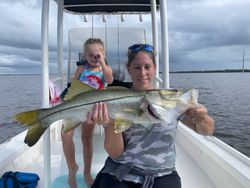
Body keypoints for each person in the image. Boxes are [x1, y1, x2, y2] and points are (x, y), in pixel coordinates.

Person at [86, 43, 214, 188]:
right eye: (136, 67)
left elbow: (206, 130)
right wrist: (108, 124)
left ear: (154, 68)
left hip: (163, 173)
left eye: (147, 67)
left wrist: (201, 117)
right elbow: (116, 153)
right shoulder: (117, 100)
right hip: (121, 169)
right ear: (128, 69)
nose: (142, 73)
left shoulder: (169, 97)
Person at [61, 38, 113, 188]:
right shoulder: (81, 69)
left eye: (97, 55)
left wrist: (102, 62)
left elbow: (109, 79)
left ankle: (87, 172)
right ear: (84, 55)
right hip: (77, 106)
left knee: (86, 139)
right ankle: (72, 167)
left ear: (103, 54)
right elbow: (73, 87)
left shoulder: (104, 70)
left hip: (94, 109)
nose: (94, 58)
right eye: (90, 55)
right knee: (65, 133)